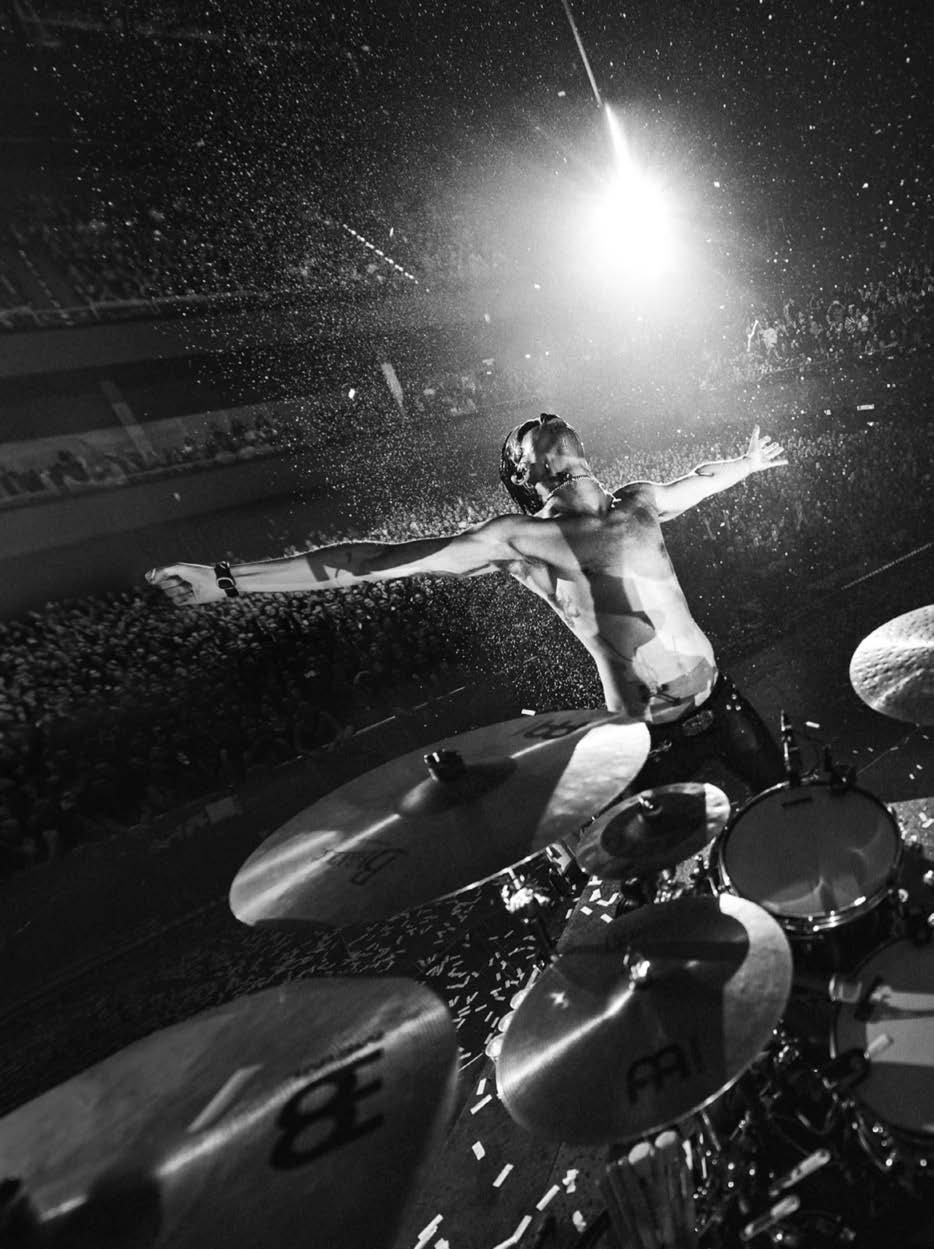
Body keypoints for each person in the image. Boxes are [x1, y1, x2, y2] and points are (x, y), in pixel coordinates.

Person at [146, 415, 787, 794]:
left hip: (722, 700)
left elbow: (701, 480)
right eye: (530, 431)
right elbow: (369, 561)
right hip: (645, 737)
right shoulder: (516, 539)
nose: (547, 419)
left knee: (792, 808)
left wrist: (748, 463)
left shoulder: (640, 501)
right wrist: (227, 580)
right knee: (664, 886)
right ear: (527, 473)